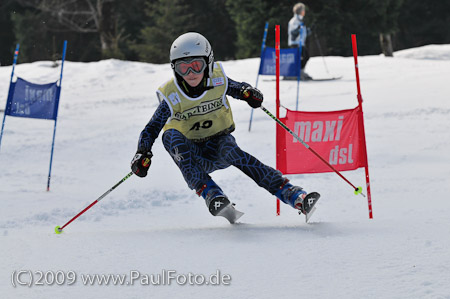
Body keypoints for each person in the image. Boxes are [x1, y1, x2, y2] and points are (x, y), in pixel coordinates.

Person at [131, 32, 318, 222]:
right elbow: (152, 128)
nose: (190, 74)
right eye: (183, 68)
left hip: (219, 144)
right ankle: (212, 194)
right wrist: (142, 152)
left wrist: (249, 94)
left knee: (234, 153)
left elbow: (239, 89)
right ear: (174, 69)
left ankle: (292, 194)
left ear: (209, 62)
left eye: (196, 65)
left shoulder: (217, 79)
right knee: (169, 135)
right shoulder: (172, 95)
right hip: (192, 153)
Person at [288, 2, 312, 80]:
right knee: (301, 58)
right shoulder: (294, 21)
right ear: (301, 11)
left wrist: (309, 30)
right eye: (303, 10)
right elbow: (293, 33)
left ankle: (300, 71)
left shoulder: (301, 20)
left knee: (306, 56)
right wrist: (298, 28)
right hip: (295, 43)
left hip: (301, 43)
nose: (304, 12)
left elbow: (303, 32)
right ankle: (295, 73)